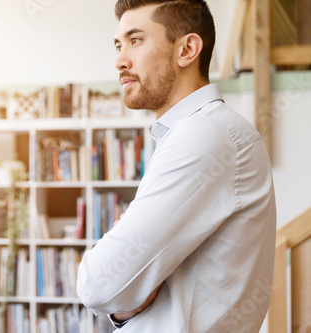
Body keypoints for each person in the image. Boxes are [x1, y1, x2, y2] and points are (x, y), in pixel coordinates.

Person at [76, 1, 277, 332]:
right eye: (118, 45)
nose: (120, 61)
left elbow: (98, 285)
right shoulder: (188, 134)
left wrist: (122, 286)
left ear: (187, 50)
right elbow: (119, 294)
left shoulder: (207, 135)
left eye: (135, 40)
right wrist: (125, 307)